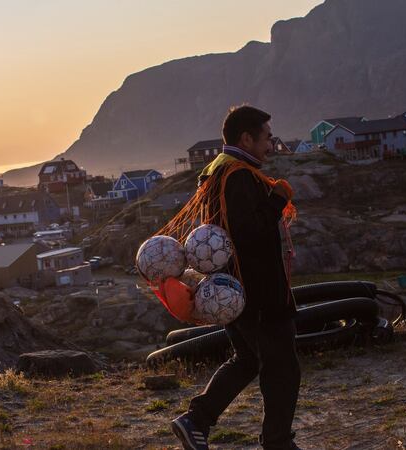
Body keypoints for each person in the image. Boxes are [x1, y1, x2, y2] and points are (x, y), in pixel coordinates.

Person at [171, 105, 302, 450]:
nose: (271, 146)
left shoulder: (217, 170)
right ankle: (277, 442)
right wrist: (277, 200)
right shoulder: (240, 176)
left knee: (246, 361)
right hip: (258, 294)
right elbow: (250, 233)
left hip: (233, 290)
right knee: (282, 369)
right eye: (267, 138)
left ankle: (196, 421)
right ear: (246, 138)